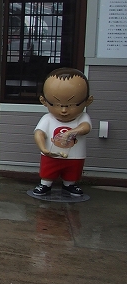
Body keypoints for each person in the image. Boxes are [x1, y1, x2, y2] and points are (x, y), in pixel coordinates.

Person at [33, 68, 94, 197]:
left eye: (73, 105)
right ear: (44, 101)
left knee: (73, 170)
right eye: (56, 104)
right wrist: (43, 148)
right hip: (51, 154)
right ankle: (45, 184)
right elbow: (39, 133)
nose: (64, 110)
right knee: (48, 170)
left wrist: (71, 132)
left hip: (75, 155)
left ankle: (69, 184)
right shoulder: (48, 118)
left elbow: (86, 128)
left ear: (88, 101)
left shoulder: (82, 117)